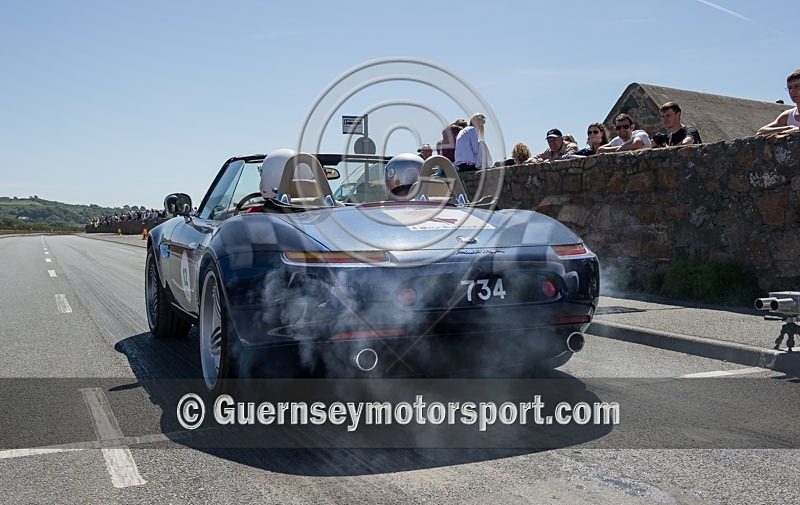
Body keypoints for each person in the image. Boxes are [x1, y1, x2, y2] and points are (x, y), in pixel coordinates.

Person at [757, 69, 800, 136]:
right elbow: (761, 132)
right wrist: (787, 128)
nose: (792, 91)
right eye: (790, 88)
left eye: (797, 86)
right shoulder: (788, 115)